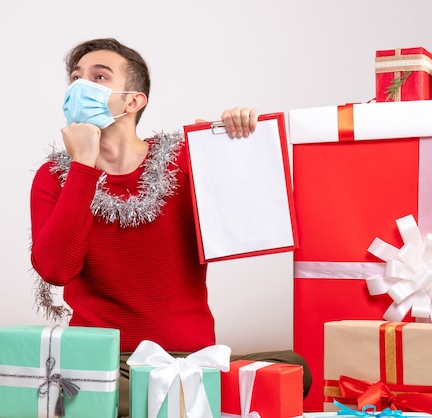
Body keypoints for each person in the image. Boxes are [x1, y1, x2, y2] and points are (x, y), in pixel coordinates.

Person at [30, 37, 311, 417]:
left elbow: (252, 226)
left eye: (98, 77)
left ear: (133, 101)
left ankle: (175, 393)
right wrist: (83, 164)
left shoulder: (183, 160)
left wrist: (234, 145)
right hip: (108, 365)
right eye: (75, 78)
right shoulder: (56, 176)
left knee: (296, 370)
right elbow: (55, 270)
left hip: (190, 359)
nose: (81, 87)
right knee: (109, 391)